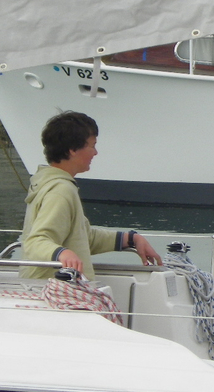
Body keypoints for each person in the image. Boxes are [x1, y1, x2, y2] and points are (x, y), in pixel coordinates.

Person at [19, 111, 162, 280]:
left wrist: (131, 239)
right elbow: (36, 241)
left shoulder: (50, 183)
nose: (96, 153)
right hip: (53, 288)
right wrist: (62, 253)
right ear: (73, 149)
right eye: (92, 146)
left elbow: (83, 237)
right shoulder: (60, 190)